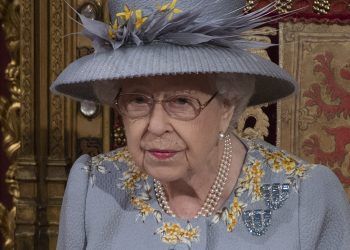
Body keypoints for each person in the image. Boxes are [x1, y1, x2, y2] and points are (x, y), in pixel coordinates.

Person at [51, 0, 350, 249]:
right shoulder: (93, 190)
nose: (155, 126)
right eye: (138, 100)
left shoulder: (307, 198)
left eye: (181, 102)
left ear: (227, 105)